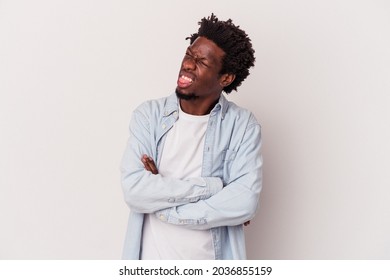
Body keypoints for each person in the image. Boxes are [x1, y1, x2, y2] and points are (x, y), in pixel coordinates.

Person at [120, 13, 262, 260]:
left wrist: (164, 207)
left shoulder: (242, 126)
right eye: (189, 55)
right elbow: (134, 190)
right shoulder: (149, 116)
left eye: (202, 62)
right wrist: (215, 186)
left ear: (225, 78)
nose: (187, 64)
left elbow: (244, 202)